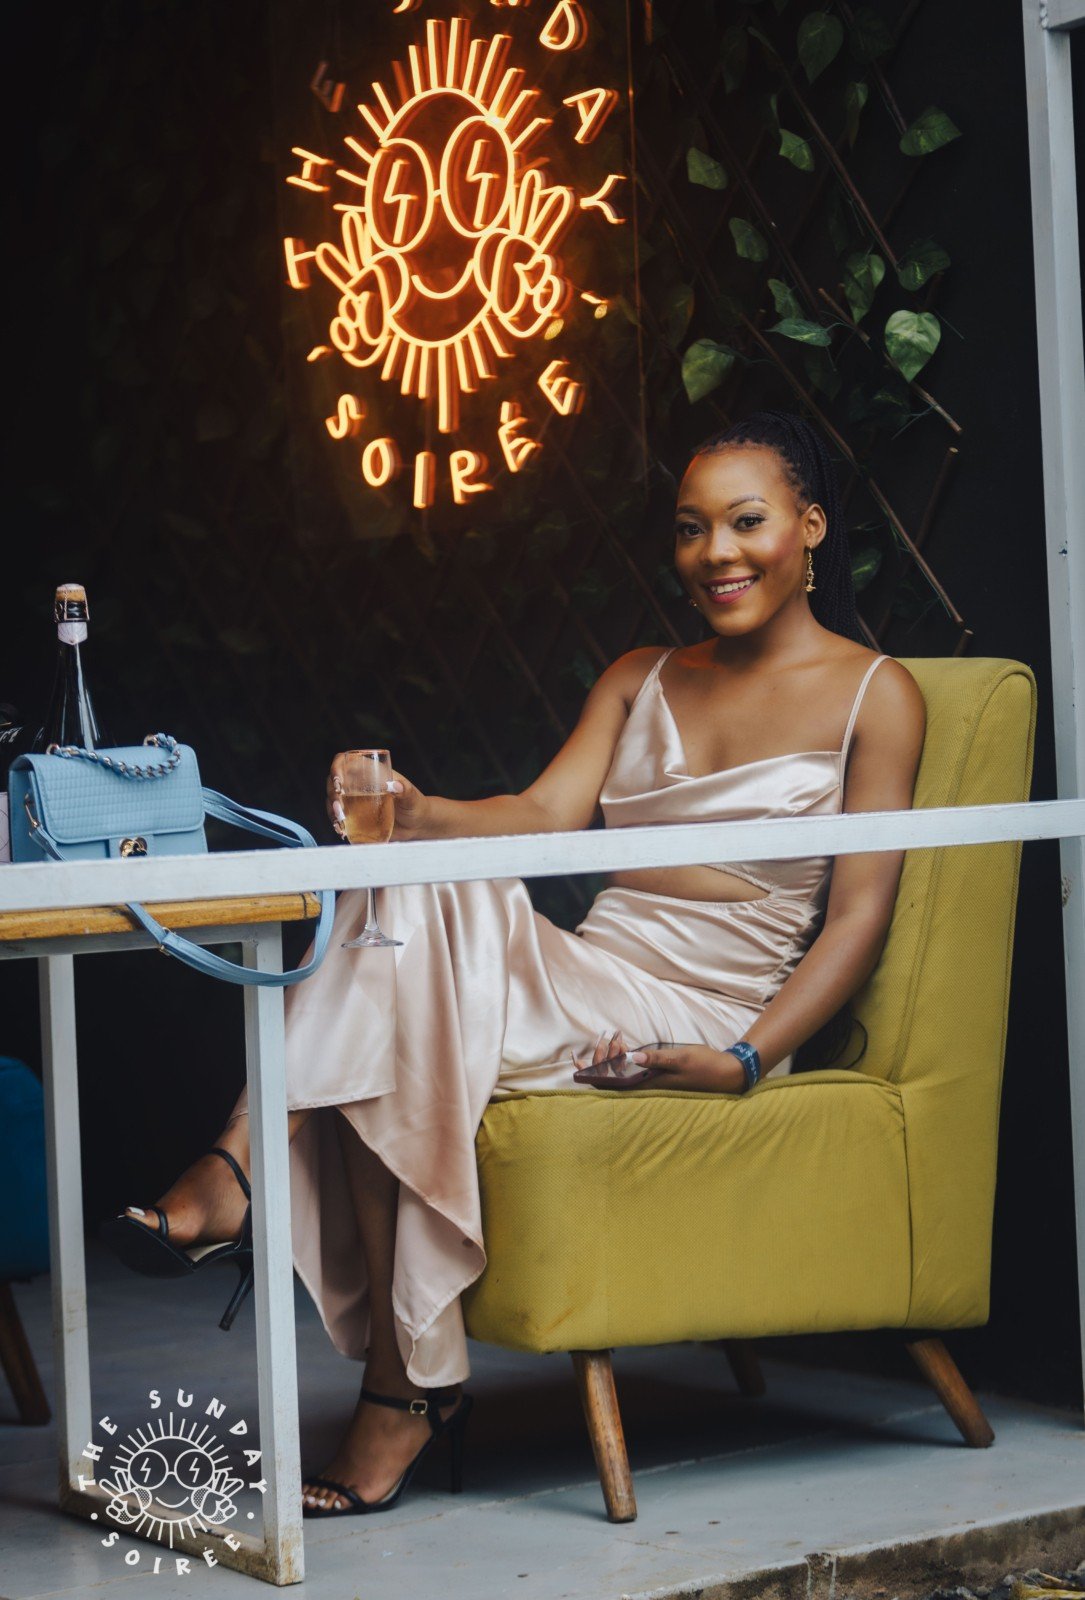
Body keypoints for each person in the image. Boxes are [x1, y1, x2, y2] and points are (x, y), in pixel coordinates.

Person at [102, 408, 927, 1518]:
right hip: (586, 972)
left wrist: (741, 1058)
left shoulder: (877, 694)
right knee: (404, 882)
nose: (714, 554)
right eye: (690, 529)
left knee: (404, 949)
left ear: (810, 527)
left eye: (746, 522)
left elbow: (856, 921)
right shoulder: (641, 675)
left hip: (710, 1007)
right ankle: (383, 1361)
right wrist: (416, 810)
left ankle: (261, 1198)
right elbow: (541, 813)